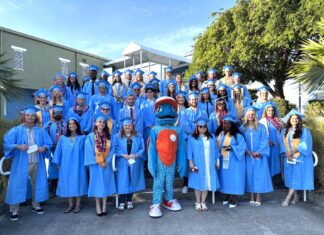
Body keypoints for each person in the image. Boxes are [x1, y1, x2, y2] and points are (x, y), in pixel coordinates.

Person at [3, 105, 53, 221]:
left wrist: (44, 148)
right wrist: (18, 146)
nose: (30, 117)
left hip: (37, 161)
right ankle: (14, 210)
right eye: (28, 115)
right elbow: (7, 142)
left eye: (32, 115)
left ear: (35, 117)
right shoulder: (17, 130)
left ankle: (36, 205)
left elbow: (49, 143)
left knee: (38, 183)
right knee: (16, 184)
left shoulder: (40, 130)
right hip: (21, 163)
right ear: (24, 116)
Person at [53, 116, 88, 213]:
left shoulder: (82, 138)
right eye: (70, 124)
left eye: (74, 124)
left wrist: (87, 164)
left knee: (78, 183)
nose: (72, 125)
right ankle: (70, 205)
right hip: (66, 165)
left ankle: (77, 205)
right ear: (67, 126)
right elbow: (58, 152)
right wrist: (58, 163)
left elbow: (87, 152)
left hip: (79, 165)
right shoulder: (63, 139)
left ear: (77, 125)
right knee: (67, 183)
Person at [280, 110, 314, 207]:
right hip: (288, 158)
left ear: (299, 120)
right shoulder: (285, 132)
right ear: (289, 120)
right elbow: (282, 144)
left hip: (300, 158)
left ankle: (288, 198)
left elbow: (305, 144)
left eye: (296, 118)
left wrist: (292, 152)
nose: (294, 120)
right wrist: (286, 153)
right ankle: (295, 197)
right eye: (292, 118)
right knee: (290, 177)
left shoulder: (304, 131)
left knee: (296, 177)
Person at [84, 113, 116, 216]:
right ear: (96, 123)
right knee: (97, 185)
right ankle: (98, 205)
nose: (101, 123)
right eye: (100, 122)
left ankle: (104, 206)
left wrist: (107, 161)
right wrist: (99, 162)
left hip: (107, 164)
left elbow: (112, 150)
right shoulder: (90, 136)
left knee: (106, 184)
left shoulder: (109, 136)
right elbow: (89, 151)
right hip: (95, 165)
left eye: (103, 122)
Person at [240, 106, 273, 206]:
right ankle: (251, 196)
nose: (250, 116)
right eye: (249, 114)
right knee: (249, 175)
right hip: (247, 155)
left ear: (255, 115)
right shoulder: (242, 128)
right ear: (246, 115)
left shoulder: (261, 127)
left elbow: (264, 141)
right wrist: (246, 151)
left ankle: (258, 196)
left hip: (259, 156)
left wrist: (258, 152)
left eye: (252, 114)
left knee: (259, 175)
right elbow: (240, 141)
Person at [187, 117, 220, 211]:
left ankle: (203, 202)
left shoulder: (212, 137)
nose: (202, 128)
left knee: (207, 181)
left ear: (207, 127)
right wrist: (190, 161)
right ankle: (197, 202)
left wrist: (216, 161)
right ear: (197, 127)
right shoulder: (192, 138)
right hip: (197, 162)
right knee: (197, 182)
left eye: (204, 126)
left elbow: (215, 150)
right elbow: (189, 150)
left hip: (209, 163)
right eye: (200, 126)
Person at [112, 117, 145, 210]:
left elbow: (142, 148)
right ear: (122, 126)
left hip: (134, 161)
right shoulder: (117, 137)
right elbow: (114, 148)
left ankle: (130, 200)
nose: (127, 127)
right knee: (122, 181)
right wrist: (122, 154)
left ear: (132, 126)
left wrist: (136, 154)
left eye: (129, 125)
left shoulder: (138, 136)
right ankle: (122, 201)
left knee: (132, 180)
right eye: (125, 125)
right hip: (122, 162)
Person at [216, 115, 246, 208]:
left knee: (234, 179)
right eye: (225, 124)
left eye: (229, 123)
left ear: (232, 124)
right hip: (223, 160)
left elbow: (242, 147)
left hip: (234, 162)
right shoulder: (220, 135)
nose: (226, 125)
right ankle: (227, 194)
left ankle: (233, 197)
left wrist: (232, 148)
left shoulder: (238, 136)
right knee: (225, 178)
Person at [43, 105, 66, 196]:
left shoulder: (66, 124)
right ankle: (53, 188)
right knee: (53, 168)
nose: (58, 114)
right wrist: (50, 144)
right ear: (53, 113)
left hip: (64, 150)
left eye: (60, 112)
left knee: (63, 167)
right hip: (52, 149)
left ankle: (63, 189)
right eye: (56, 112)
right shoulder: (48, 125)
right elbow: (44, 136)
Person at [259, 103, 283, 177]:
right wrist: (267, 141)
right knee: (268, 161)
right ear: (265, 111)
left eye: (272, 110)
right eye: (268, 110)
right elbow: (260, 134)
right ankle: (269, 180)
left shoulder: (277, 121)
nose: (270, 112)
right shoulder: (263, 121)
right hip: (268, 143)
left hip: (276, 144)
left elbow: (280, 132)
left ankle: (273, 178)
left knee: (275, 161)